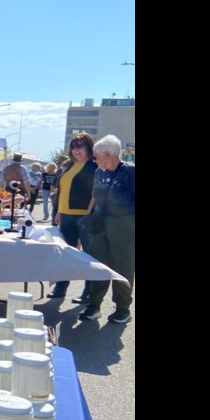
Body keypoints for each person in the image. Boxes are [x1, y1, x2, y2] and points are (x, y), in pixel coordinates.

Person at [79, 135, 135, 323]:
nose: (94, 161)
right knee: (98, 264)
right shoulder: (99, 172)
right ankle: (94, 305)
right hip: (100, 222)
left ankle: (122, 308)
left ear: (107, 154)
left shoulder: (130, 172)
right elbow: (95, 196)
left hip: (124, 225)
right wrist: (89, 216)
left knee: (122, 265)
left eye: (95, 157)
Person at [47, 132, 98, 302]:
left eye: (80, 146)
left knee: (88, 256)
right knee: (66, 254)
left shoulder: (94, 167)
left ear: (89, 147)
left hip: (85, 217)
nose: (76, 150)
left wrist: (91, 213)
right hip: (67, 216)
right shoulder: (70, 165)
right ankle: (61, 288)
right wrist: (60, 211)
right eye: (73, 147)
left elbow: (95, 194)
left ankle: (89, 292)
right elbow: (64, 191)